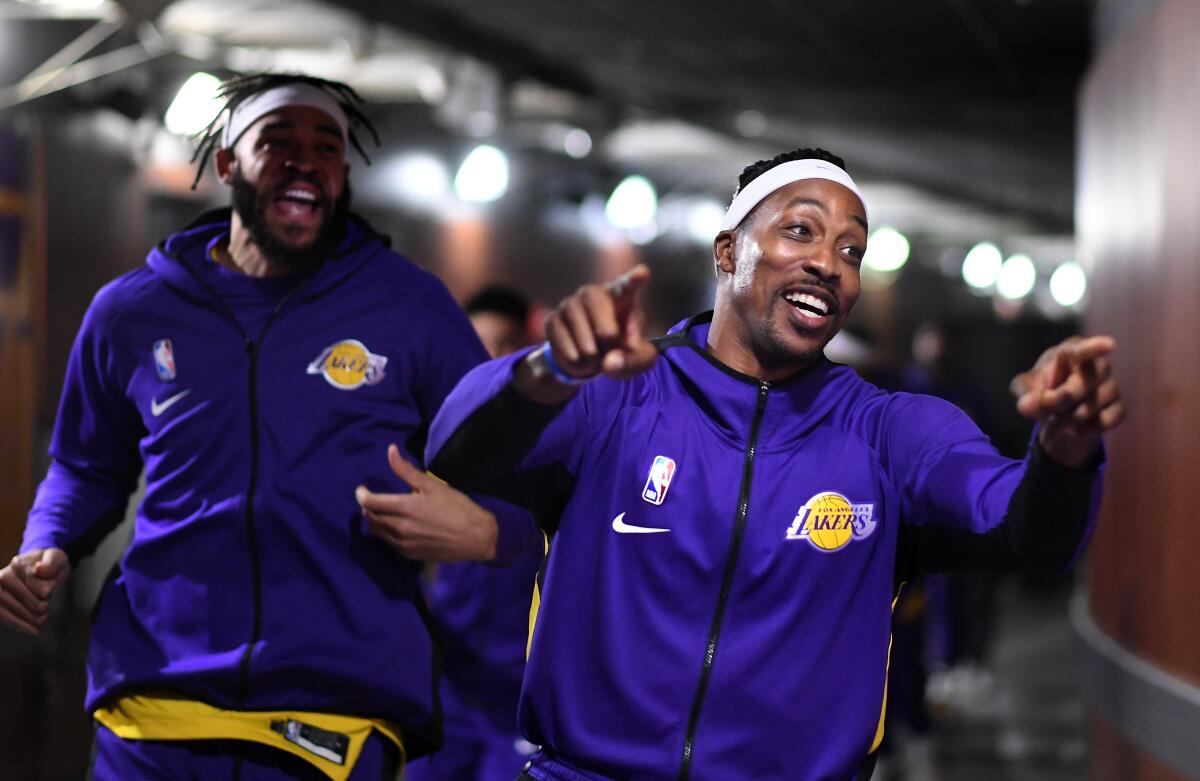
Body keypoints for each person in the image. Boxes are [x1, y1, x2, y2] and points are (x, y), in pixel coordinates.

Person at [423, 149, 1125, 780]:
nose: (829, 261)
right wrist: (551, 369)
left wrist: (1065, 444)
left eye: (853, 250)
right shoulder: (620, 393)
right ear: (728, 252)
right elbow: (456, 452)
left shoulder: (887, 430)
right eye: (802, 230)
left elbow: (1033, 531)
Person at [0, 73, 537, 780]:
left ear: (343, 176)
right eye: (277, 141)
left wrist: (491, 533)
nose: (304, 160)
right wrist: (49, 542)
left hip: (331, 716)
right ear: (227, 165)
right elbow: (84, 465)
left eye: (325, 147)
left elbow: (527, 475)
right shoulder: (131, 312)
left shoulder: (410, 310)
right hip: (154, 707)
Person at [406, 285, 544, 781]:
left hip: (519, 699)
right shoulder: (430, 448)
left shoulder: (560, 447)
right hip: (446, 690)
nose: (492, 357)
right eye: (479, 343)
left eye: (505, 344)